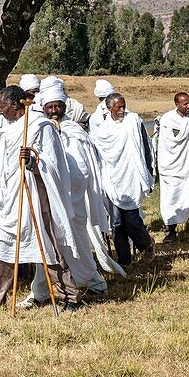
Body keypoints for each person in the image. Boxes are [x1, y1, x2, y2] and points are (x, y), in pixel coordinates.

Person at [0, 86, 82, 310]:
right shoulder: (7, 132)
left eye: (3, 105)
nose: (0, 110)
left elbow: (55, 165)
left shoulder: (41, 127)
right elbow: (1, 167)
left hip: (36, 196)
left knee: (48, 247)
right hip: (9, 200)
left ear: (15, 104)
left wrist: (34, 161)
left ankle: (69, 297)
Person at [39, 81, 123, 301]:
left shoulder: (73, 132)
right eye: (50, 107)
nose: (54, 111)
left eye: (58, 106)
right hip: (48, 200)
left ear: (64, 106)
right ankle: (40, 291)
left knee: (77, 244)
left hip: (72, 202)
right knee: (46, 247)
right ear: (44, 109)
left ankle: (93, 282)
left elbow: (82, 172)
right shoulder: (39, 131)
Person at [90, 92, 155, 266]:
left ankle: (146, 244)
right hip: (113, 181)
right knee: (118, 223)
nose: (121, 110)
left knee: (132, 220)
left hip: (131, 178)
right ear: (109, 108)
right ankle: (125, 261)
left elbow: (145, 147)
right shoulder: (103, 130)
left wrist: (148, 173)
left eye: (123, 106)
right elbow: (96, 152)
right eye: (118, 107)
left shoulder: (133, 121)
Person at [157, 93, 189, 242]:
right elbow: (170, 143)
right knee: (172, 197)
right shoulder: (168, 119)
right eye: (185, 104)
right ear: (177, 104)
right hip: (173, 166)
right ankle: (170, 231)